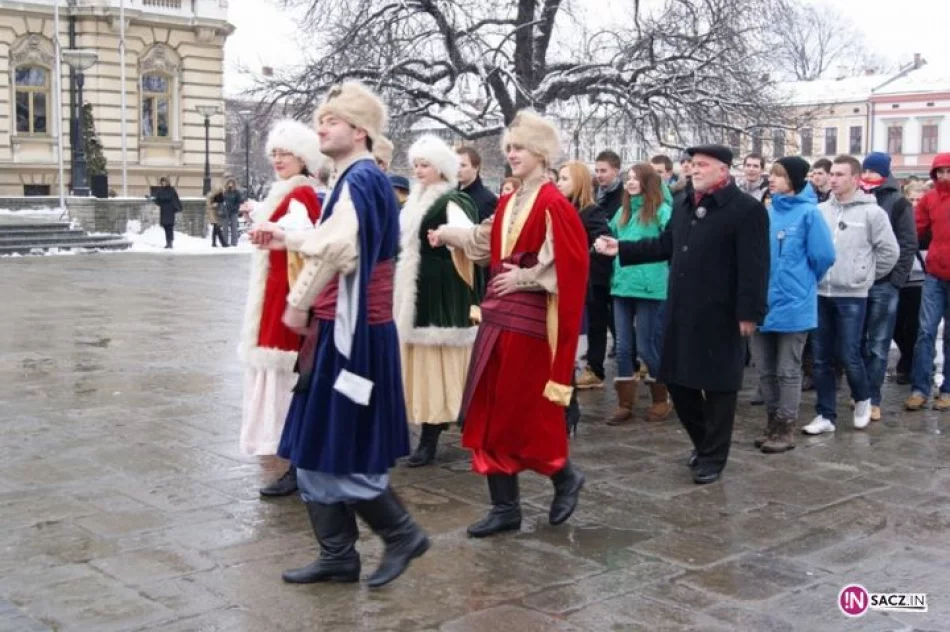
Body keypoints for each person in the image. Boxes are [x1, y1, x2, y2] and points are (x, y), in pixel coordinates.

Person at [252, 81, 428, 589]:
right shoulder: (356, 179)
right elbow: (334, 243)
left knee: (339, 447)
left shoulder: (363, 180)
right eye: (321, 119)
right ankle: (338, 555)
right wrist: (288, 238)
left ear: (359, 131)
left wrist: (297, 300)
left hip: (354, 337)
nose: (320, 127)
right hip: (342, 330)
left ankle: (401, 533)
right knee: (313, 448)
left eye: (331, 120)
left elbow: (338, 251)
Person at [428, 110, 589, 538]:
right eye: (510, 149)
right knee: (488, 410)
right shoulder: (511, 200)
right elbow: (485, 241)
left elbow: (568, 265)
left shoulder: (555, 204)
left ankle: (564, 475)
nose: (512, 155)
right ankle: (505, 508)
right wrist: (448, 235)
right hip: (497, 321)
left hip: (530, 328)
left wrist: (523, 276)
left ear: (539, 152)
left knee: (526, 414)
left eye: (518, 148)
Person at [595, 144, 769, 484]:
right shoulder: (683, 203)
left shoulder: (746, 210)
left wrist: (749, 312)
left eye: (703, 165)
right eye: (692, 164)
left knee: (719, 388)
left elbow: (756, 266)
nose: (695, 170)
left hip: (721, 312)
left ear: (723, 170)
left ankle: (713, 457)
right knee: (677, 380)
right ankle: (704, 443)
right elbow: (665, 245)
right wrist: (622, 248)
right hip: (681, 308)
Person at [238, 119, 324, 497]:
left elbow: (304, 238)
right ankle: (291, 457)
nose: (277, 159)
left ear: (303, 157)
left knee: (288, 377)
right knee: (280, 374)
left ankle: (295, 460)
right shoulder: (287, 191)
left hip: (287, 297)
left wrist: (272, 230)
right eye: (274, 153)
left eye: (284, 153)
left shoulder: (302, 193)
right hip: (275, 295)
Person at [395, 135, 481, 467]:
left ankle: (434, 434)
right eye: (416, 164)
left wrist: (446, 238)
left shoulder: (452, 200)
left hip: (443, 294)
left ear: (441, 168)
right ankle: (432, 425)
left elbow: (470, 240)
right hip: (414, 293)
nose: (418, 170)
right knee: (422, 363)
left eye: (425, 164)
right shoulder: (413, 201)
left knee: (441, 363)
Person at [802, 156, 898, 435]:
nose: (833, 179)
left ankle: (863, 398)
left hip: (853, 294)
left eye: (840, 174)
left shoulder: (873, 213)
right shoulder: (819, 211)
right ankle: (825, 414)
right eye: (831, 174)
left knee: (849, 352)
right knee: (821, 357)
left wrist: (864, 274)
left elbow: (889, 252)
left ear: (855, 179)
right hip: (822, 291)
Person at [751, 157, 835, 453]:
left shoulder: (809, 214)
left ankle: (785, 429)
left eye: (780, 175)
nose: (772, 179)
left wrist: (799, 282)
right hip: (763, 302)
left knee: (788, 369)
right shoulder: (768, 212)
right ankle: (772, 423)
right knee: (765, 370)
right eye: (771, 174)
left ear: (795, 180)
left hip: (794, 302)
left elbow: (823, 256)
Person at [607, 163, 674, 425]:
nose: (630, 182)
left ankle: (661, 397)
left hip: (649, 287)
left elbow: (669, 245)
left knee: (646, 347)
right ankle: (625, 403)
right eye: (628, 178)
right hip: (622, 285)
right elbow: (611, 236)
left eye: (636, 178)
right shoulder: (622, 213)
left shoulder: (662, 211)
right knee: (623, 347)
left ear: (648, 182)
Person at [858, 152, 917, 421]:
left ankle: (873, 398)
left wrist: (896, 280)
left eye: (872, 171)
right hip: (857, 283)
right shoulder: (856, 198)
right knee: (855, 342)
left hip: (884, 283)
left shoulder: (898, 202)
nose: (867, 175)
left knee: (878, 343)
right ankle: (859, 394)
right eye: (865, 170)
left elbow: (907, 243)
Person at [557, 161, 611, 403]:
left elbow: (603, 240)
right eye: (558, 178)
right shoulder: (563, 208)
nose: (559, 183)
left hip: (591, 281)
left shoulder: (590, 210)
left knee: (595, 327)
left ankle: (593, 369)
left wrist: (584, 256)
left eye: (565, 178)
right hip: (567, 281)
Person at [906, 153, 950, 411]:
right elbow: (915, 229)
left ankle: (947, 389)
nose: (944, 176)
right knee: (925, 332)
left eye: (948, 171)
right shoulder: (930, 199)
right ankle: (920, 388)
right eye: (940, 171)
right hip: (934, 274)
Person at [893, 182, 928, 384]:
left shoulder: (926, 224)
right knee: (896, 324)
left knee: (914, 326)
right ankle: (908, 356)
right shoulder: (900, 219)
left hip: (921, 281)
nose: (915, 204)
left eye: (919, 200)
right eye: (911, 200)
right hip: (900, 278)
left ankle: (910, 362)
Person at [457, 146, 499, 222]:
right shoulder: (451, 194)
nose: (458, 169)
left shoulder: (488, 200)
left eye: (463, 165)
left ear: (476, 168)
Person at [150, 177, 181, 249]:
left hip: (170, 211)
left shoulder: (171, 190)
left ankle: (170, 242)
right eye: (162, 182)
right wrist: (153, 199)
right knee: (166, 227)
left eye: (164, 182)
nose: (163, 183)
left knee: (170, 227)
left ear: (167, 182)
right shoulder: (160, 190)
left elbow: (173, 198)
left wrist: (161, 199)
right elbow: (158, 201)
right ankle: (167, 242)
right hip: (164, 211)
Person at [219, 178, 246, 246]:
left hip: (234, 211)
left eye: (232, 183)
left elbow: (241, 201)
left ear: (234, 184)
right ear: (227, 184)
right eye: (229, 183)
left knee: (234, 227)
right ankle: (225, 242)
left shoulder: (236, 192)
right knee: (225, 227)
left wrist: (236, 206)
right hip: (225, 211)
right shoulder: (224, 192)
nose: (230, 185)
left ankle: (234, 242)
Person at [205, 179, 229, 247]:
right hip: (212, 213)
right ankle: (223, 243)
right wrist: (214, 205)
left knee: (215, 229)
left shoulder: (219, 195)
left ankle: (214, 243)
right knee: (217, 228)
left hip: (217, 212)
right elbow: (208, 205)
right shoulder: (210, 195)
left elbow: (222, 201)